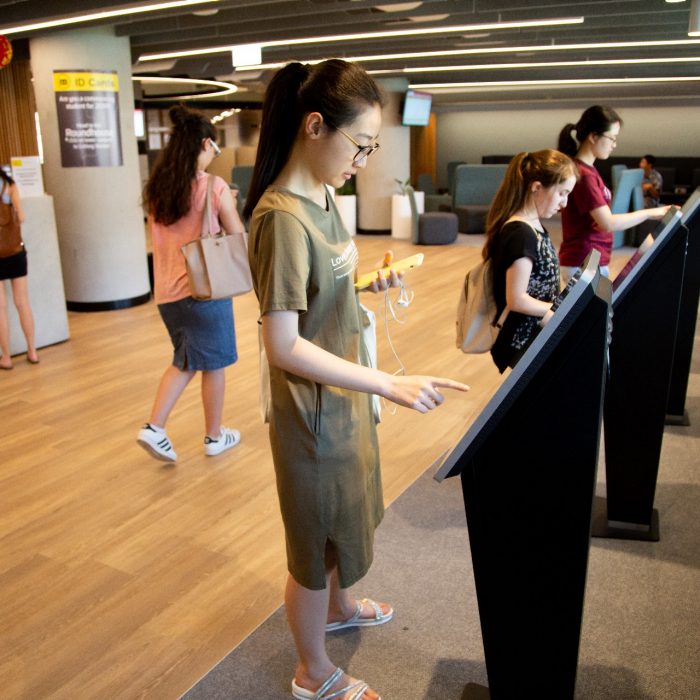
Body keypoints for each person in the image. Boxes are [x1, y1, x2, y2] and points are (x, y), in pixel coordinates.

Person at [244, 59, 469, 700]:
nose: (364, 161)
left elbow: (321, 295)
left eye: (372, 147)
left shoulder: (322, 194)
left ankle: (342, 608)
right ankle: (311, 672)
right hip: (314, 419)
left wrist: (372, 283)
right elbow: (283, 344)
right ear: (315, 125)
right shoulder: (281, 218)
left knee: (346, 518)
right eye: (361, 145)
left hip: (343, 405)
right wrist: (384, 382)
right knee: (313, 546)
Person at [137, 105, 245, 463]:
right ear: (203, 144)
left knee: (189, 359)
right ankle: (198, 434)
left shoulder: (158, 189)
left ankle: (173, 430)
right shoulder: (214, 187)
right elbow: (236, 234)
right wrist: (228, 201)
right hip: (204, 289)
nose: (214, 153)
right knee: (208, 363)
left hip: (167, 294)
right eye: (213, 147)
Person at [484, 150, 578, 374]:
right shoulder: (520, 233)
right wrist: (558, 311)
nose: (564, 203)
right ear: (536, 188)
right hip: (523, 339)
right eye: (562, 193)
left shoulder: (533, 226)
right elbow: (516, 299)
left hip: (535, 332)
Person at [557, 105, 671, 284]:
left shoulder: (589, 171)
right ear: (593, 137)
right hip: (583, 261)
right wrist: (650, 213)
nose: (614, 145)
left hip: (589, 260)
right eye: (612, 138)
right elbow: (607, 222)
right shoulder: (584, 175)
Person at [0, 168, 39, 369]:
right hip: (15, 250)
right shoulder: (9, 185)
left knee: (0, 308)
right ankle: (32, 350)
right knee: (22, 302)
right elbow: (21, 216)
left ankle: (6, 357)